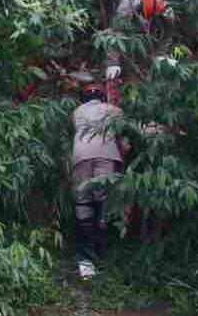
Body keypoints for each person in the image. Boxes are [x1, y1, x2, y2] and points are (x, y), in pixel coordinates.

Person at [70, 83, 127, 279]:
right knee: (104, 202)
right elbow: (122, 125)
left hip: (81, 156)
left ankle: (85, 260)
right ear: (102, 97)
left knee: (83, 202)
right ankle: (104, 253)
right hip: (106, 155)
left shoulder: (76, 112)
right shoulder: (113, 110)